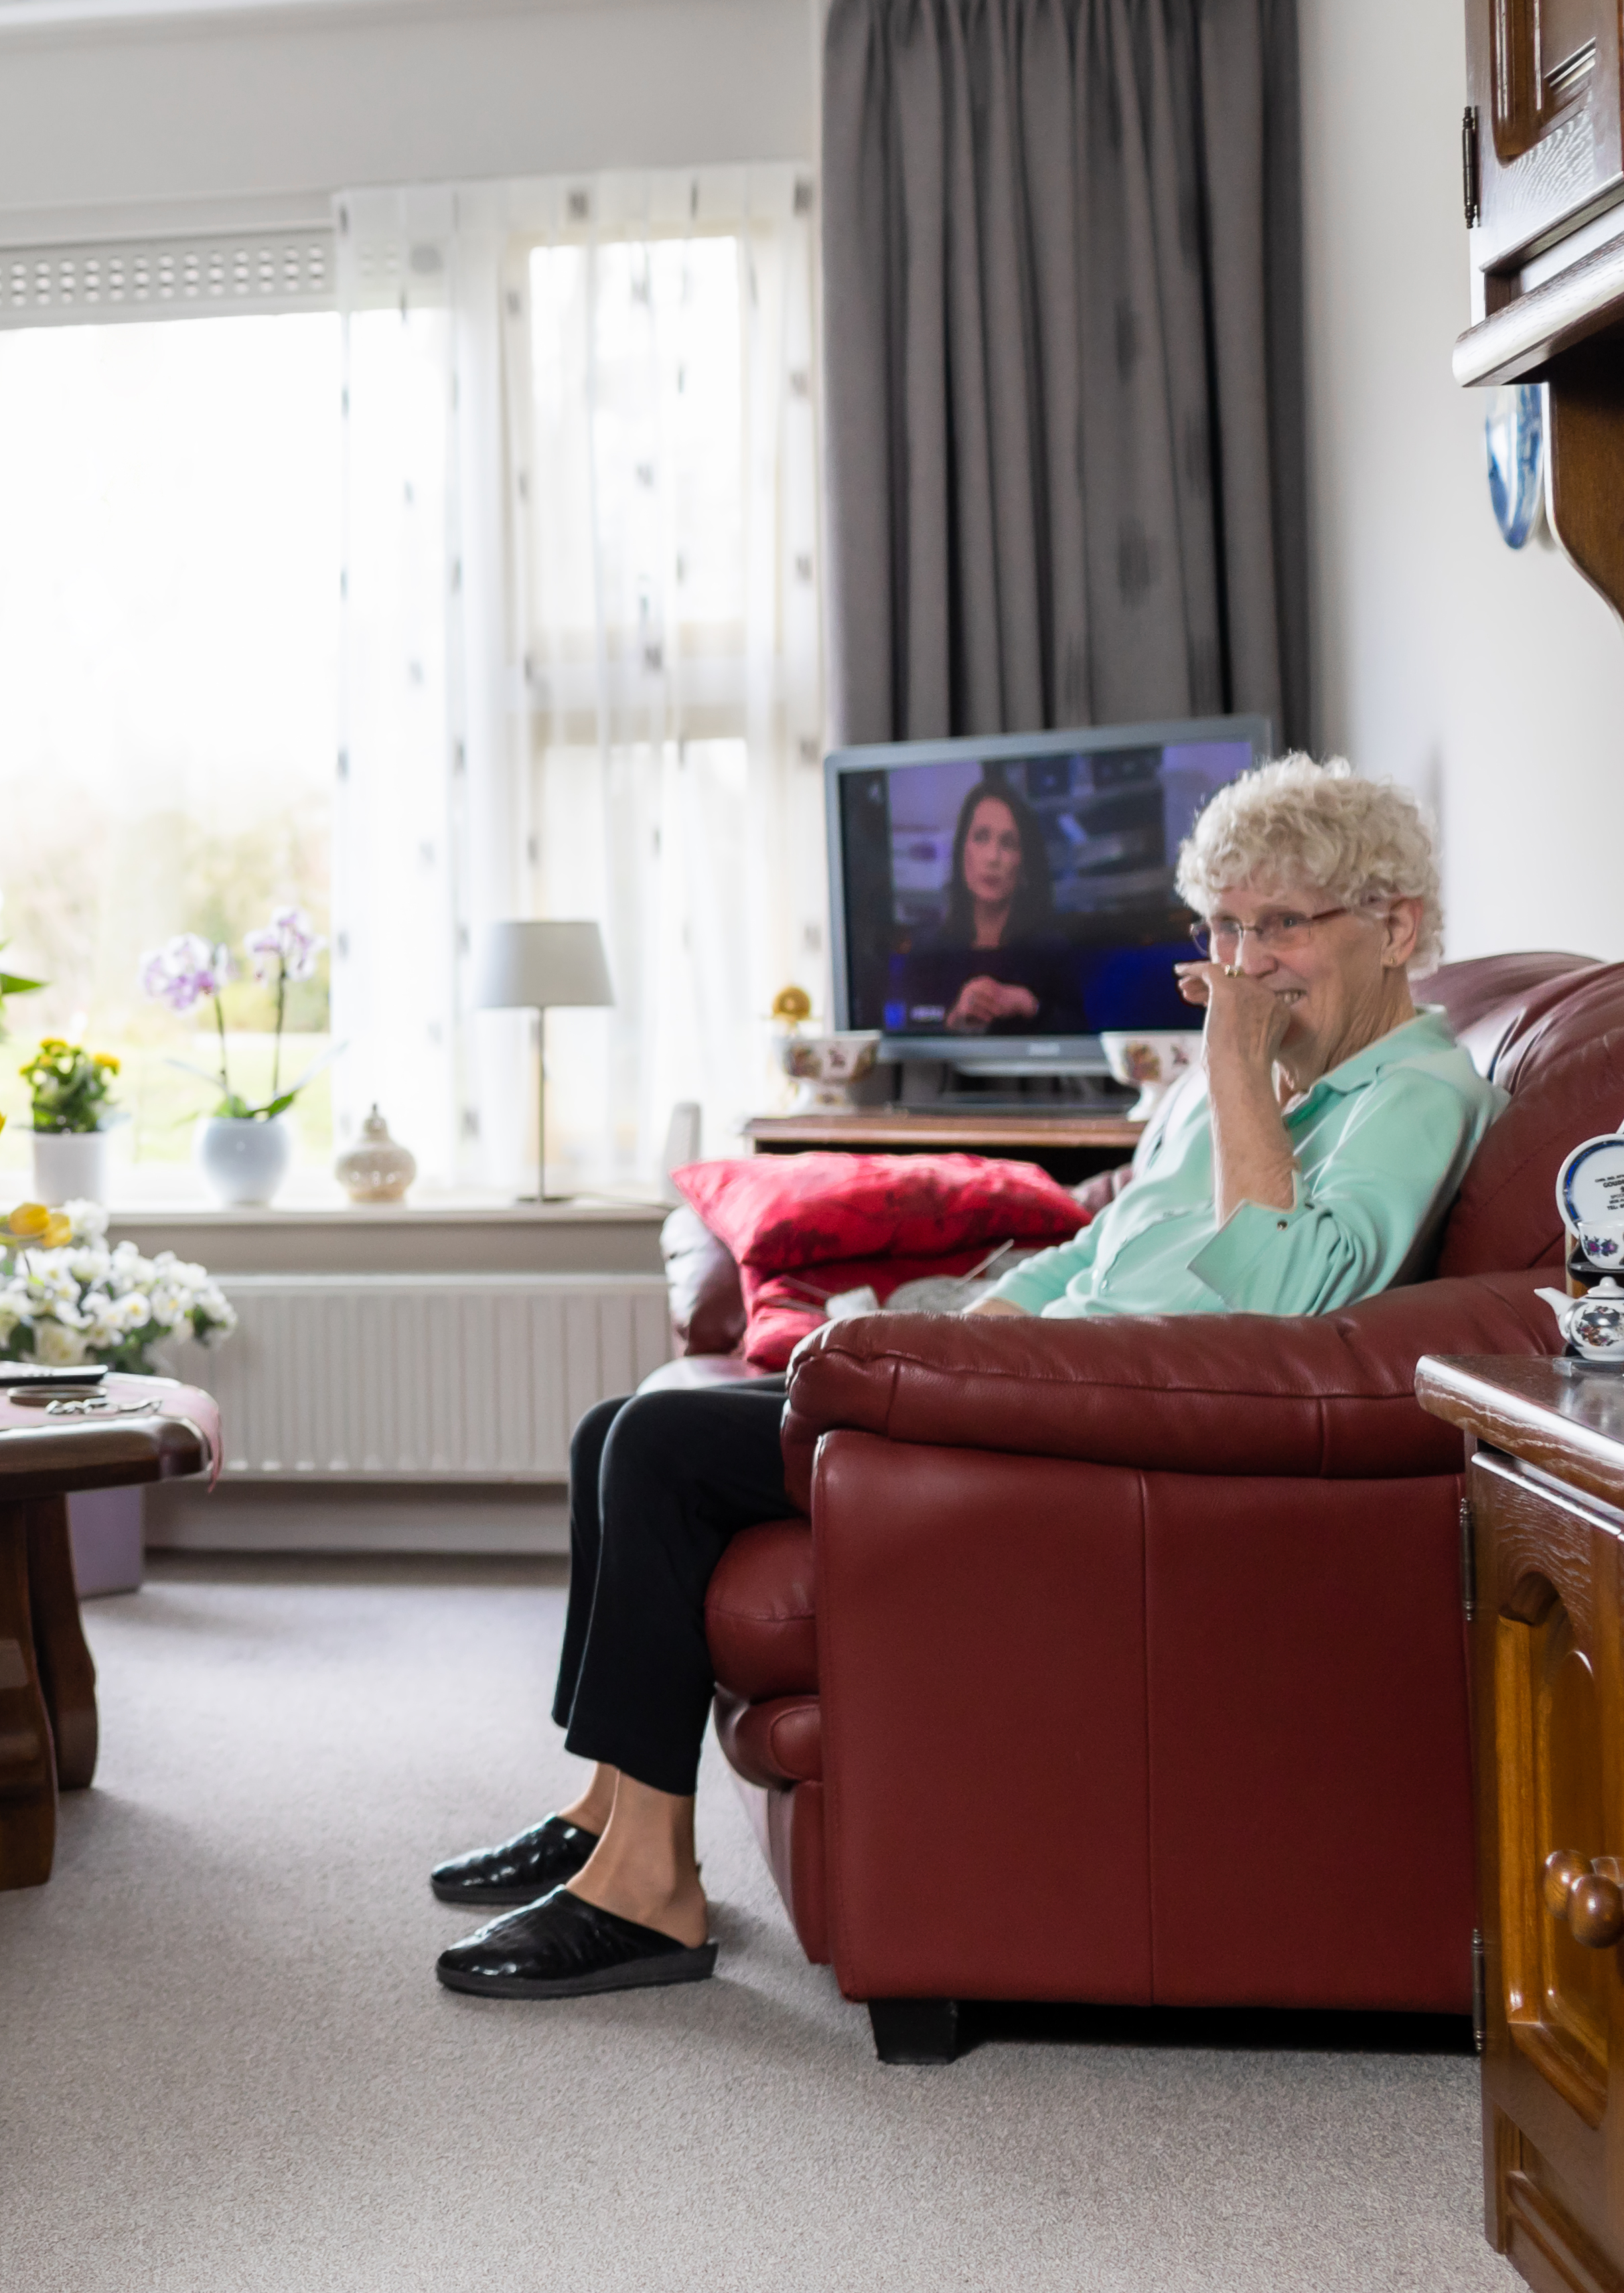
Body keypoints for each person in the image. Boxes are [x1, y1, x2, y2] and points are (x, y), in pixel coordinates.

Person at [427, 755, 1495, 2000]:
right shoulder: (1258, 1074)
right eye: (1222, 927)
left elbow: (1277, 1311)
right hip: (1025, 1386)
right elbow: (1100, 1250)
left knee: (655, 1452)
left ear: (1394, 926)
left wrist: (1226, 1073)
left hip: (1112, 1436)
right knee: (618, 1423)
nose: (1244, 964)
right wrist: (964, 1334)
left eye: (1280, 928)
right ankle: (605, 1802)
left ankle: (651, 1892)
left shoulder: (1414, 1093)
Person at [895, 771, 1081, 1034]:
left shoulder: (1052, 952)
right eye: (981, 837)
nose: (993, 857)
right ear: (962, 851)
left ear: (1023, 864)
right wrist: (955, 1019)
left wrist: (1030, 1006)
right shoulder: (929, 954)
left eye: (1008, 843)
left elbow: (1083, 1037)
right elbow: (907, 1040)